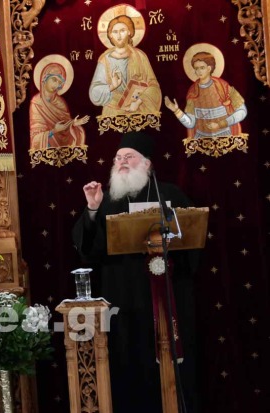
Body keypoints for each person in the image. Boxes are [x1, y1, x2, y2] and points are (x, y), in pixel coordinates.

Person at [72, 132, 198, 412]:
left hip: (167, 299)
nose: (121, 162)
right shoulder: (105, 200)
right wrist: (92, 209)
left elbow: (191, 240)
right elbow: (88, 251)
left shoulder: (169, 195)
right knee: (128, 363)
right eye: (118, 158)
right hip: (123, 297)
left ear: (147, 164)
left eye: (129, 157)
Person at [89, 15, 162, 117]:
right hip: (113, 113)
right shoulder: (104, 59)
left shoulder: (140, 57)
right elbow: (94, 93)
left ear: (129, 32)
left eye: (122, 30)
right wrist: (112, 86)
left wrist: (138, 101)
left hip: (138, 111)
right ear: (110, 35)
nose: (119, 35)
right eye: (115, 32)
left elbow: (154, 87)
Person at [164, 51, 247, 139]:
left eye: (202, 68)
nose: (199, 71)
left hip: (225, 136)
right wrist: (176, 110)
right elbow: (191, 123)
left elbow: (242, 111)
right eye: (196, 68)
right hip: (201, 138)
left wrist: (221, 124)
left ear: (209, 68)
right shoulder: (193, 92)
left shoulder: (224, 87)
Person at [29, 62, 89, 149]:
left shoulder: (60, 102)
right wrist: (54, 130)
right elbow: (35, 137)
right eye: (54, 80)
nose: (56, 85)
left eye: (59, 82)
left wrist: (73, 124)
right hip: (47, 146)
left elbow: (64, 125)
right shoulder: (36, 103)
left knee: (79, 131)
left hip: (62, 146)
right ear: (44, 78)